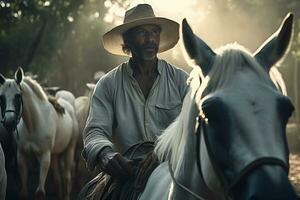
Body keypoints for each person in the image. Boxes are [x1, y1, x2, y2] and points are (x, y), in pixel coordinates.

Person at [82, 3, 189, 182]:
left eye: (155, 32)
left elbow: (194, 125)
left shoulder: (181, 81)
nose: (151, 39)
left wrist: (163, 149)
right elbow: (95, 130)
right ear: (128, 41)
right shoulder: (109, 84)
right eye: (142, 33)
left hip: (174, 172)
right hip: (125, 174)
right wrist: (105, 153)